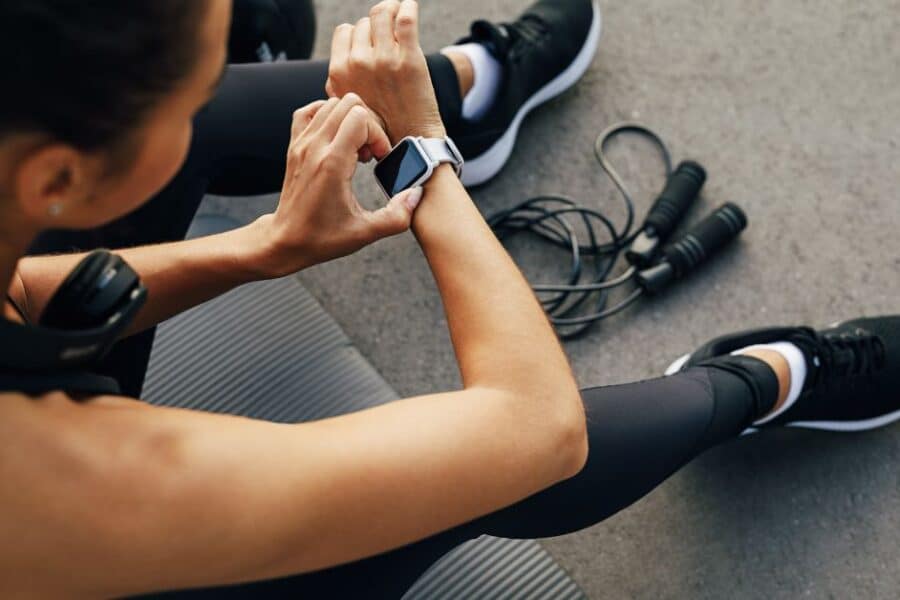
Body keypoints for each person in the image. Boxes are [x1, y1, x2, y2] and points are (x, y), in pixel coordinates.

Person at [0, 0, 896, 597]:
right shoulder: (78, 485)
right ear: (59, 180)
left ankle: (479, 95)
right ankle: (758, 383)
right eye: (187, 78)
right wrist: (420, 151)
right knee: (474, 476)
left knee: (194, 117)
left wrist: (260, 247)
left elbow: (27, 293)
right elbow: (537, 434)